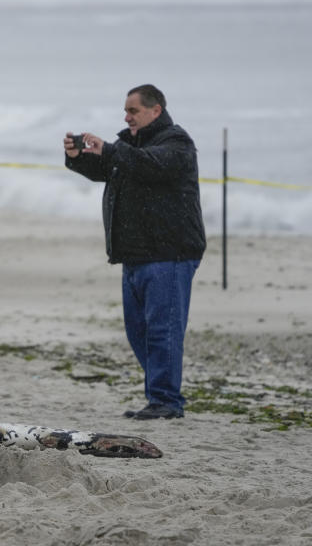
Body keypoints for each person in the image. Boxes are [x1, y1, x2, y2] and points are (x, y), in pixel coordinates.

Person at [64, 84, 206, 420]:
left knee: (162, 330)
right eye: (126, 111)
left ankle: (166, 401)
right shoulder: (128, 146)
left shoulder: (176, 142)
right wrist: (77, 157)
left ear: (155, 110)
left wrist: (110, 149)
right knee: (138, 332)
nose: (126, 116)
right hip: (135, 255)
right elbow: (106, 169)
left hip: (169, 254)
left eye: (133, 110)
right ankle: (161, 393)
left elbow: (149, 166)